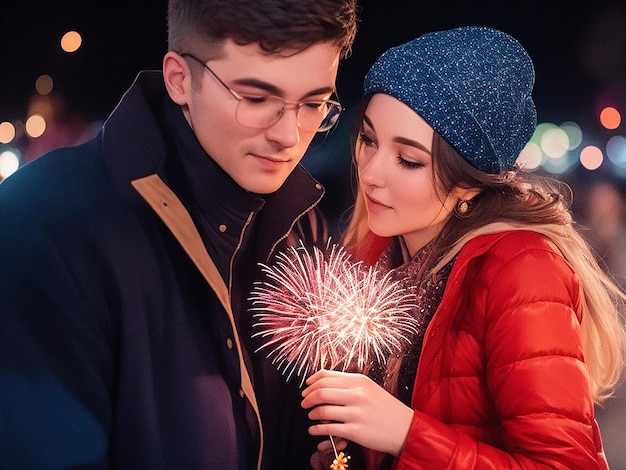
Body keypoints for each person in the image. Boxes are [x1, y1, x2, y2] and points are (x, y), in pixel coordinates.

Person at [0, 0, 357, 468]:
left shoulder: (300, 225)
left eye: (314, 104)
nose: (290, 135)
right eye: (255, 99)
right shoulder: (45, 219)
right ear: (179, 79)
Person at [301, 26, 626, 469]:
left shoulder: (522, 269)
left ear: (468, 182)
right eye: (369, 140)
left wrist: (405, 434)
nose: (372, 172)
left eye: (409, 159)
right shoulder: (379, 252)